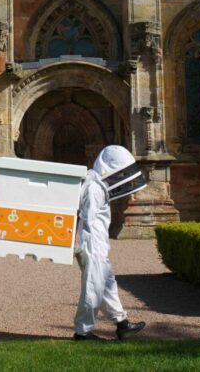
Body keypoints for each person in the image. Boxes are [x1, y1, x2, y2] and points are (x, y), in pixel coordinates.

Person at [73, 145, 147, 341]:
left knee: (106, 285)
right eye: (120, 171)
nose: (121, 176)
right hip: (91, 246)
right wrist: (79, 245)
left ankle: (122, 324)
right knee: (93, 288)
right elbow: (85, 219)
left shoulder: (97, 185)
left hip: (97, 245)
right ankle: (83, 331)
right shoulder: (94, 187)